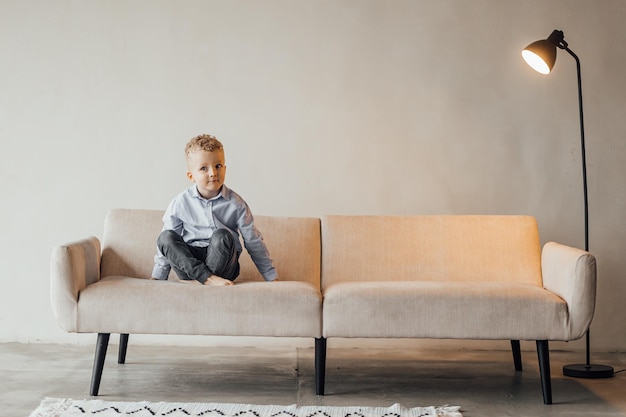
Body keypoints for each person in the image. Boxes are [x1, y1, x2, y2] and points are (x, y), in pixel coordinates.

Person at [151, 134, 278, 286]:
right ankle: (206, 279)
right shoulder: (180, 202)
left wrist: (271, 277)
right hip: (190, 266)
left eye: (218, 166)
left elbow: (253, 242)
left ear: (225, 168)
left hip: (223, 263)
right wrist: (158, 277)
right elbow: (167, 246)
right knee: (165, 237)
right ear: (191, 176)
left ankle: (203, 279)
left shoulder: (236, 203)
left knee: (222, 235)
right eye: (204, 168)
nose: (213, 172)